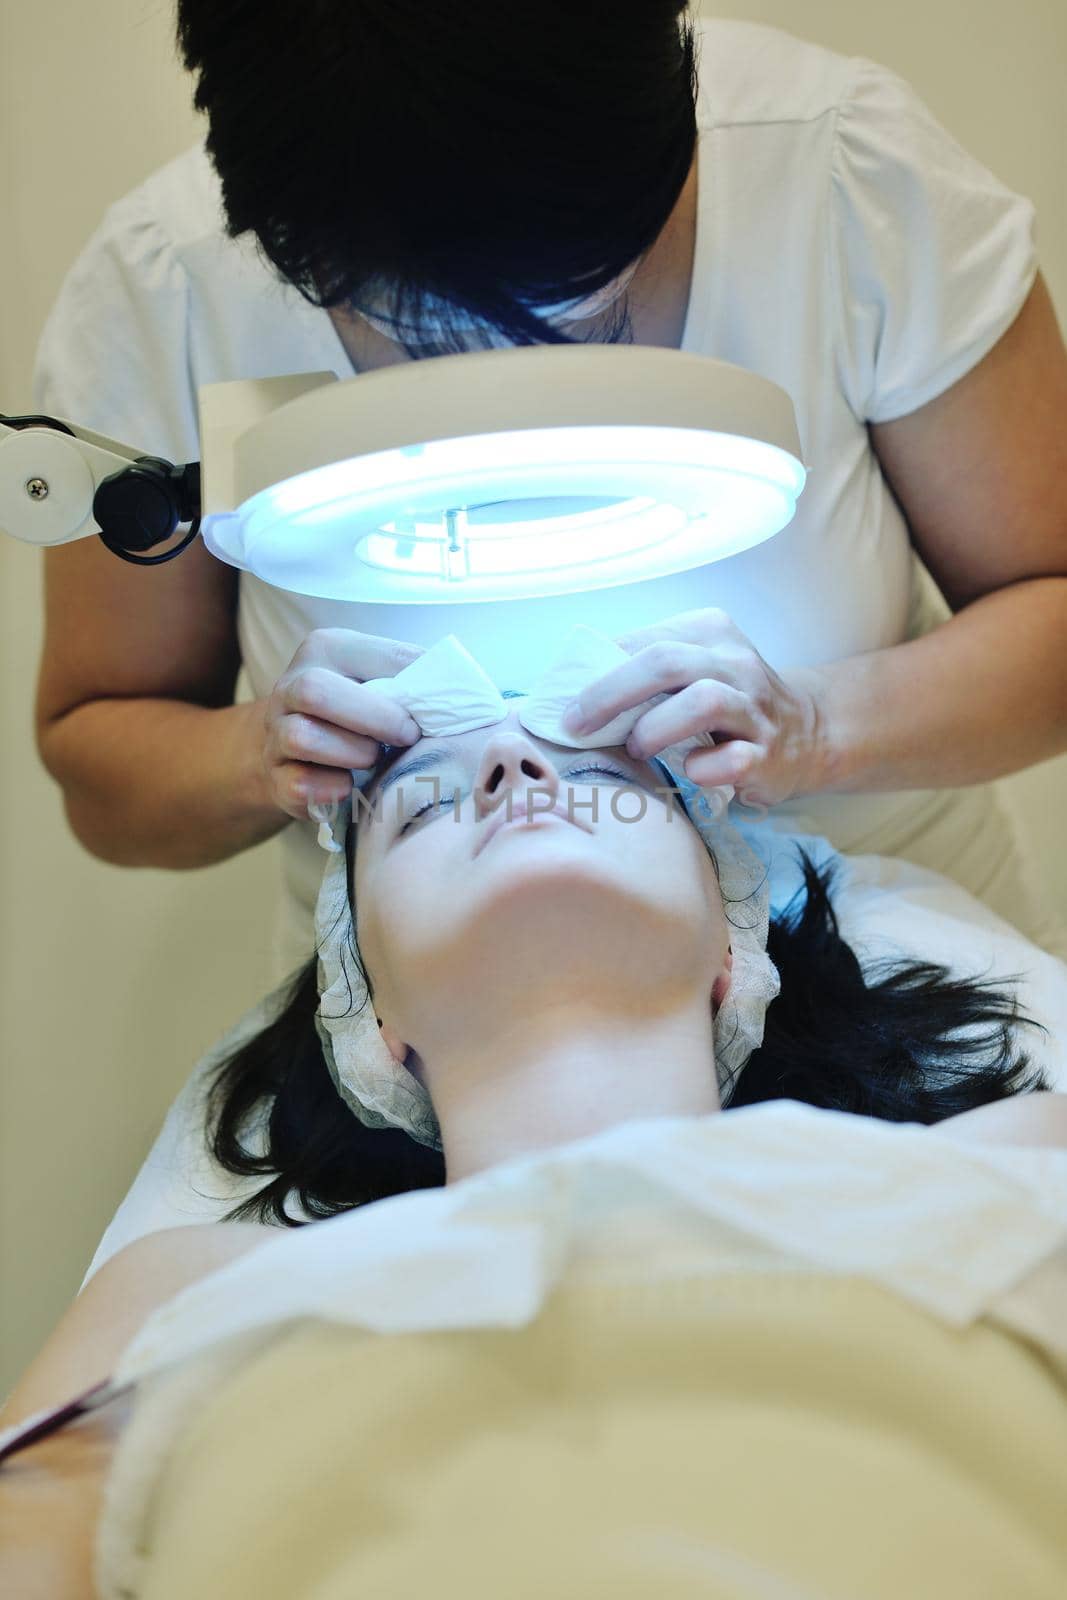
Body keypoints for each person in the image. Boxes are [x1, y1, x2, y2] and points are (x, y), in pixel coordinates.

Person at [30, 4, 1067, 980]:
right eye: (404, 321)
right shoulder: (167, 282)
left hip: (895, 976)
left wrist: (816, 728)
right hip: (434, 1047)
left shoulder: (840, 171)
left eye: (573, 301)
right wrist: (259, 756)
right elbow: (103, 756)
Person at [3, 708, 1065, 1598]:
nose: (516, 770)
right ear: (372, 1023)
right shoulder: (189, 1280)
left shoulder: (1013, 1149)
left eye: (607, 775)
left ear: (731, 959)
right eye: (421, 806)